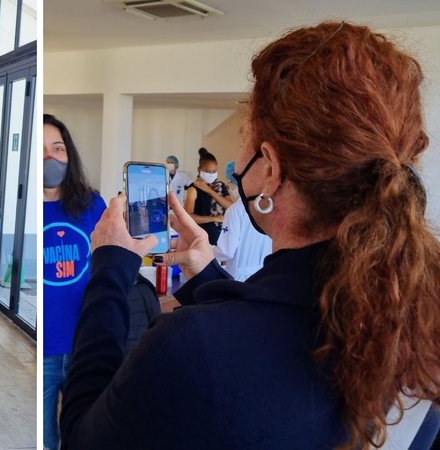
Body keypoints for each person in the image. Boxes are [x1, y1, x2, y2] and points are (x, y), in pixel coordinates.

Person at [60, 22, 440, 450]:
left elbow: (79, 437)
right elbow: (272, 321)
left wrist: (110, 268)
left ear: (272, 170)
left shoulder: (191, 348)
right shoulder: (415, 312)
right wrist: (206, 275)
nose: (237, 159)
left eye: (245, 134)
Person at [43, 114, 106, 450]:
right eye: (40, 152)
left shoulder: (93, 205)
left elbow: (112, 262)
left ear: (70, 155)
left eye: (58, 148)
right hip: (47, 348)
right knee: (46, 438)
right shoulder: (30, 211)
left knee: (86, 436)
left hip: (88, 343)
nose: (50, 159)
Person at [213, 198, 272, 281]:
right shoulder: (269, 208)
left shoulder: (236, 210)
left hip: (239, 277)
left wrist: (208, 254)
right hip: (265, 274)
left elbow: (226, 251)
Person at [184, 147, 233, 245]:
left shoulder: (220, 186)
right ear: (199, 170)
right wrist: (213, 218)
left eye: (214, 171)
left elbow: (231, 206)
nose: (211, 174)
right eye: (207, 171)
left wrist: (209, 191)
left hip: (222, 239)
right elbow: (187, 218)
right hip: (201, 240)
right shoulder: (193, 189)